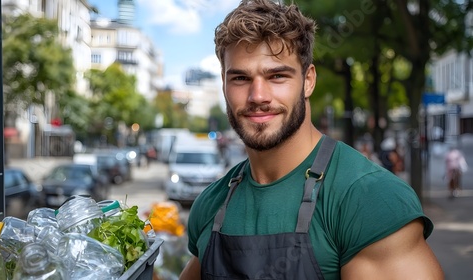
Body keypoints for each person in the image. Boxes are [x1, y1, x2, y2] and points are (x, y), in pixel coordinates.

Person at [179, 1, 444, 279]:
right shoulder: (210, 205)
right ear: (223, 83)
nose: (258, 96)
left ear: (308, 81)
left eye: (277, 75)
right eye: (241, 78)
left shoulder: (368, 199)